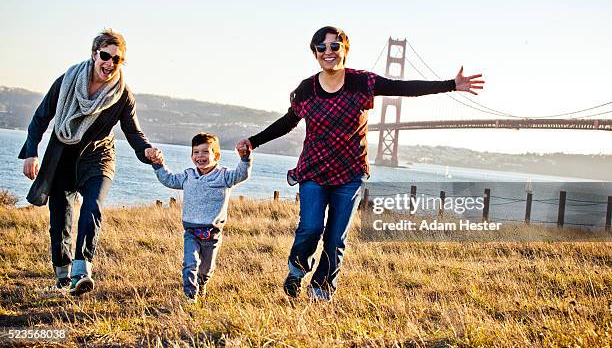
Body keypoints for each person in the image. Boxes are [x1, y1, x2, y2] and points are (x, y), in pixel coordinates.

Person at [236, 26, 484, 301]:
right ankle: (297, 268)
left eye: (334, 46)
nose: (328, 52)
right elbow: (287, 122)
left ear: (345, 50)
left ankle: (321, 289)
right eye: (321, 48)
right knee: (311, 228)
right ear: (314, 53)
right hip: (314, 171)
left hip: (350, 173)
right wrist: (254, 141)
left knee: (335, 238)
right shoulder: (306, 89)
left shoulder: (363, 82)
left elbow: (404, 88)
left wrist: (450, 84)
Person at [18, 29, 164, 296]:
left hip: (99, 158)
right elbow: (41, 118)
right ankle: (63, 277)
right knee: (60, 218)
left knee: (92, 207)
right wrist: (31, 152)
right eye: (105, 56)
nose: (109, 63)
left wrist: (148, 150)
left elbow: (133, 132)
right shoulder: (68, 81)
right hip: (63, 156)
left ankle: (81, 272)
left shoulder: (122, 95)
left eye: (116, 59)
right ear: (94, 54)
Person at [153, 132, 252, 303]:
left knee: (206, 269)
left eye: (205, 152)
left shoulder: (224, 176)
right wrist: (158, 165)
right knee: (190, 264)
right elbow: (169, 180)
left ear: (217, 155)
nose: (200, 156)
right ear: (191, 155)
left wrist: (245, 159)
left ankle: (202, 283)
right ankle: (190, 297)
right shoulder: (188, 175)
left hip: (212, 234)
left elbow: (241, 174)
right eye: (196, 152)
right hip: (191, 232)